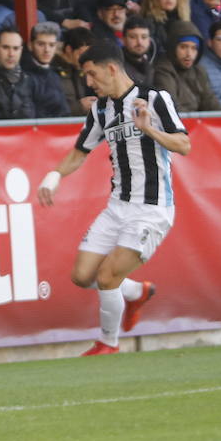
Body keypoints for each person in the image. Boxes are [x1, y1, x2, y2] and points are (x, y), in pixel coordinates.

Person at [37, 35, 187, 355]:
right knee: (82, 275)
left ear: (110, 69)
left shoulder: (155, 98)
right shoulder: (101, 111)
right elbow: (80, 153)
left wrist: (149, 129)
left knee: (107, 277)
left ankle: (108, 343)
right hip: (118, 206)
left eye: (92, 75)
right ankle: (136, 293)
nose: (89, 83)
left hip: (152, 208)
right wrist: (54, 177)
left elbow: (184, 145)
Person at [151, 19, 221, 113]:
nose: (189, 54)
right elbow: (171, 108)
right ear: (173, 47)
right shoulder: (163, 70)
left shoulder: (199, 70)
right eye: (183, 47)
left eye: (194, 48)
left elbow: (210, 101)